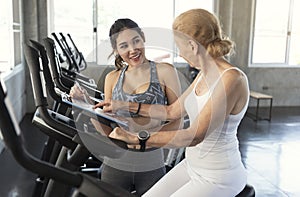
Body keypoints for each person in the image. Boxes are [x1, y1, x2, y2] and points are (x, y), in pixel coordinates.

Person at [97, 9, 250, 197]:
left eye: (179, 46)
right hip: (192, 166)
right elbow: (172, 111)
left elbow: (194, 136)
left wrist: (138, 138)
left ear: (192, 46)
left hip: (218, 176)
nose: (179, 52)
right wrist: (123, 105)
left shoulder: (231, 79)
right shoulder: (205, 72)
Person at [70, 18, 182, 196]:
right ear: (116, 50)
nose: (132, 50)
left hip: (151, 163)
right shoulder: (112, 79)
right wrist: (87, 106)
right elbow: (107, 131)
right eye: (124, 46)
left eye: (136, 41)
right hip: (116, 164)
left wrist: (143, 138)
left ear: (143, 37)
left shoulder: (165, 72)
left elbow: (177, 122)